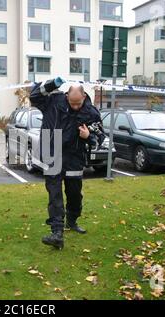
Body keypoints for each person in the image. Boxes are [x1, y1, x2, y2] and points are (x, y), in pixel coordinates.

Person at [30, 77, 105, 250]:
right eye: (72, 103)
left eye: (78, 103)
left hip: (75, 156)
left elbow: (100, 138)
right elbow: (34, 96)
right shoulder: (53, 102)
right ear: (66, 96)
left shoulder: (91, 113)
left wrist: (89, 137)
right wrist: (51, 84)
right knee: (54, 194)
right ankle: (57, 232)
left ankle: (72, 220)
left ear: (84, 97)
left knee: (74, 194)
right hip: (52, 151)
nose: (75, 106)